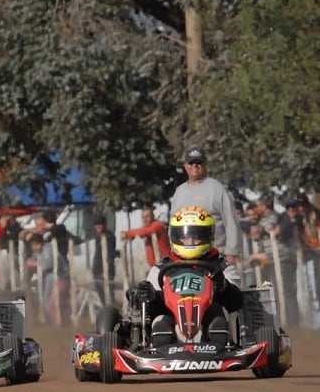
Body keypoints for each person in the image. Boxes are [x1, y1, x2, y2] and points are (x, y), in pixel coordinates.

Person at [135, 206, 243, 347]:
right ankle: (163, 345)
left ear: (208, 237)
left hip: (208, 326)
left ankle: (218, 343)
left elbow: (236, 303)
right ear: (175, 237)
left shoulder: (221, 266)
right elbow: (147, 310)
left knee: (217, 316)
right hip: (172, 326)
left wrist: (223, 286)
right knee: (161, 322)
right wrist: (151, 296)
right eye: (185, 237)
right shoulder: (161, 268)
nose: (191, 241)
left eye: (196, 237)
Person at [171, 147, 242, 274]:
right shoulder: (179, 192)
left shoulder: (217, 189)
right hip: (185, 260)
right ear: (185, 166)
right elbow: (172, 225)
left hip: (214, 258)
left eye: (199, 162)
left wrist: (231, 252)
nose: (195, 166)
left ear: (205, 165)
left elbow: (231, 221)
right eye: (191, 163)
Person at [92, 214, 117, 304]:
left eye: (100, 224)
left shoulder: (109, 236)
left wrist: (107, 269)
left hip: (106, 269)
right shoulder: (98, 237)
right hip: (97, 269)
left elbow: (110, 255)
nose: (98, 226)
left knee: (109, 294)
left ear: (104, 225)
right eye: (96, 224)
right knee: (101, 295)